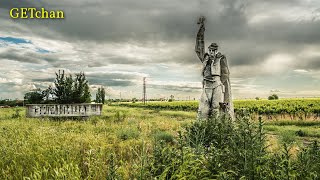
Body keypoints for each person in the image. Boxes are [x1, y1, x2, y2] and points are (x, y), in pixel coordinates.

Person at [195, 16, 234, 119]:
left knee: (216, 108)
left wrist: (221, 82)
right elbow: (199, 47)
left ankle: (215, 130)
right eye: (211, 50)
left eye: (214, 50)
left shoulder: (221, 58)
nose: (212, 52)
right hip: (207, 85)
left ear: (217, 51)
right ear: (209, 50)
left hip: (217, 85)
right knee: (203, 109)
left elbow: (226, 73)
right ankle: (202, 130)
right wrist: (201, 29)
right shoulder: (205, 58)